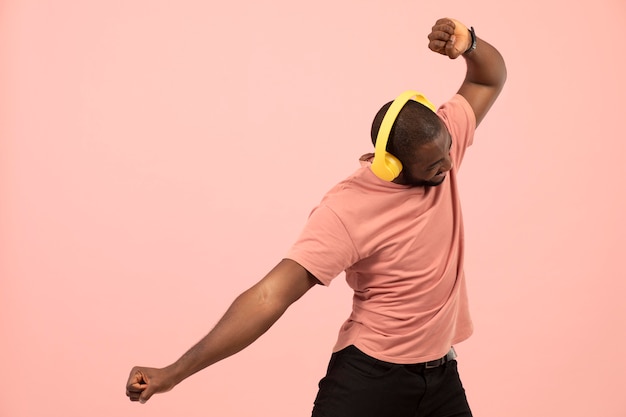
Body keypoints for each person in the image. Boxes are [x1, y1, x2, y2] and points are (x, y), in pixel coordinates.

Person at [126, 17, 506, 417]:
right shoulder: (347, 210)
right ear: (392, 165)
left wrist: (470, 43)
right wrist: (173, 372)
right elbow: (269, 295)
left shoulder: (440, 142)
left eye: (448, 150)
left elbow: (487, 80)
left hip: (441, 375)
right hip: (371, 378)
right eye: (434, 165)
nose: (450, 163)